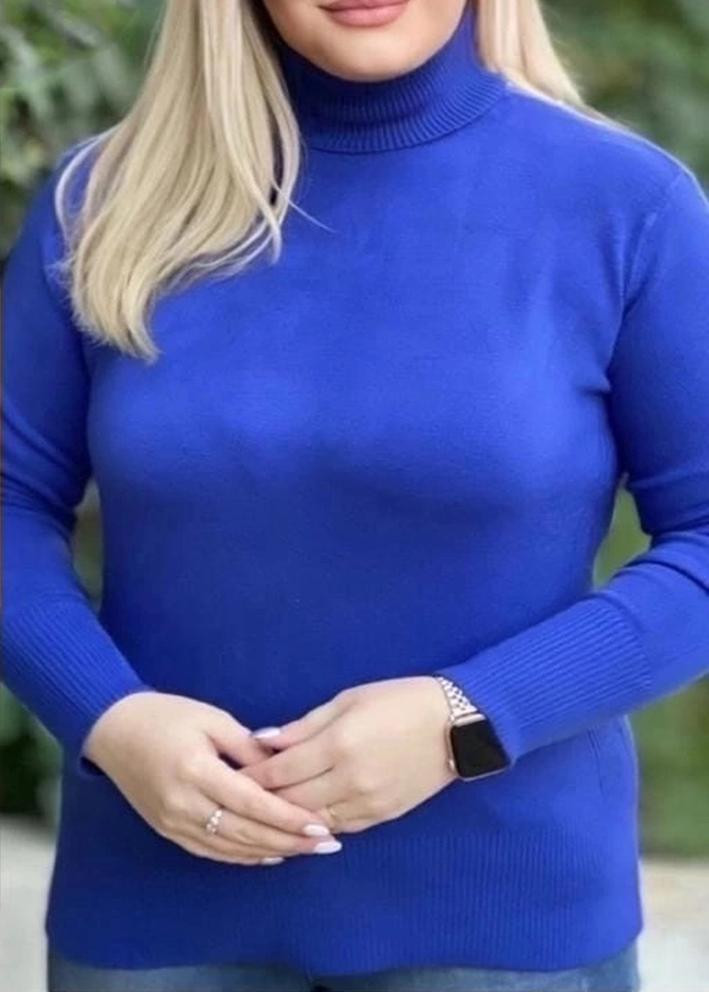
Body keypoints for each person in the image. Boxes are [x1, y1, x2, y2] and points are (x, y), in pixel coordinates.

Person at [2, 0, 708, 989]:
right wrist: (109, 719)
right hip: (150, 920)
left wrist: (468, 720)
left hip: (501, 931)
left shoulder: (627, 206)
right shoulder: (100, 201)